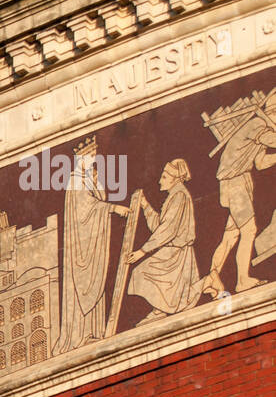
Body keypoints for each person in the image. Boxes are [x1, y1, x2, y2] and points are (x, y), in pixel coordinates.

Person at [54, 141, 131, 354]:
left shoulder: (87, 178)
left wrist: (97, 184)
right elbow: (88, 208)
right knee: (84, 283)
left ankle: (94, 330)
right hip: (82, 246)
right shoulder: (76, 181)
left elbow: (96, 201)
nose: (94, 160)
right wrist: (114, 208)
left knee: (96, 279)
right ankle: (81, 334)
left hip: (92, 243)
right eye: (91, 156)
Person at [205, 89, 276, 294]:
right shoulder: (257, 125)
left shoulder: (261, 128)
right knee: (249, 230)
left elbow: (260, 163)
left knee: (231, 236)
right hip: (234, 182)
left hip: (239, 181)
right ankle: (242, 281)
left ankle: (212, 276)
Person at [125, 159, 206, 323]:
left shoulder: (179, 196)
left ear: (174, 179)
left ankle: (208, 282)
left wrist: (143, 251)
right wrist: (145, 206)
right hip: (170, 250)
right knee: (173, 293)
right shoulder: (174, 196)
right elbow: (160, 226)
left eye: (164, 177)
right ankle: (160, 309)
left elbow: (167, 230)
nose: (160, 180)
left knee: (142, 273)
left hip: (176, 252)